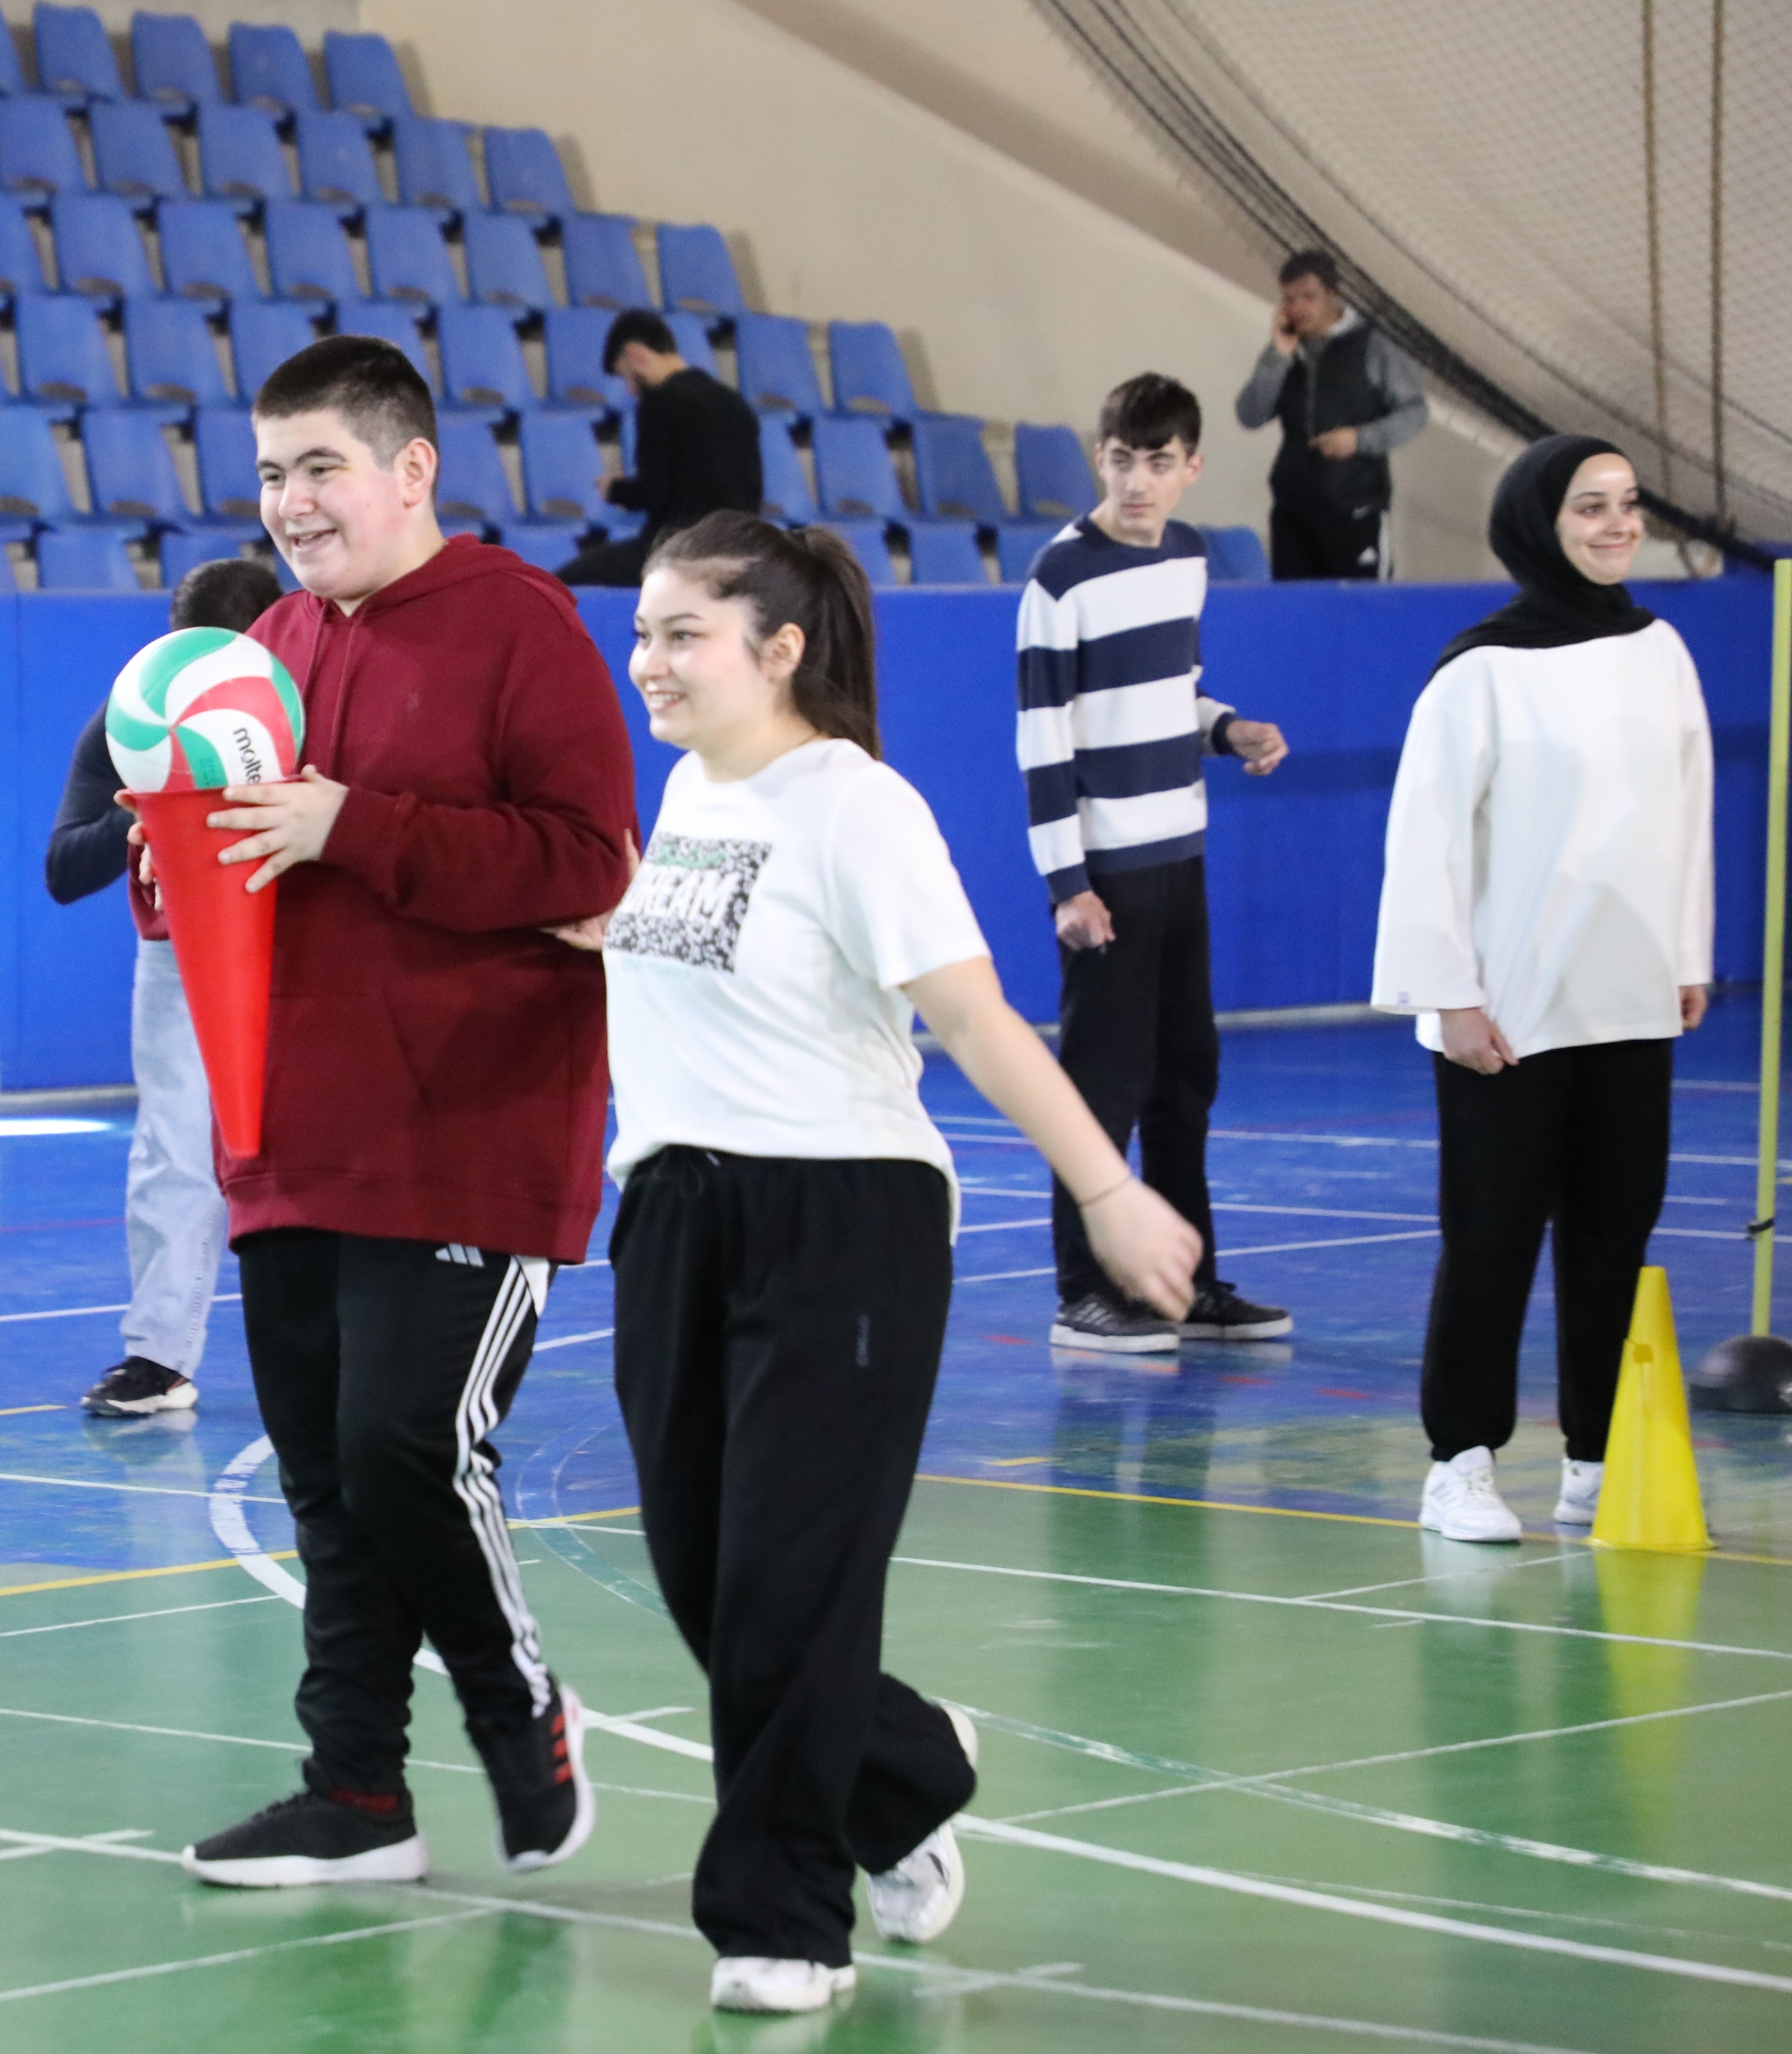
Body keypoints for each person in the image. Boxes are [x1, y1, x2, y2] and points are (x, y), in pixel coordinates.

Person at [570, 511, 1200, 2014]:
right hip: (672, 1212)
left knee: (787, 1586)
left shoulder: (859, 807)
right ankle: (904, 1765)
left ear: (780, 649)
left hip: (841, 1222)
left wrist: (1107, 1188)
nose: (648, 661)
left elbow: (974, 1016)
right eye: (643, 631)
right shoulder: (688, 791)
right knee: (705, 1577)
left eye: (682, 634)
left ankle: (782, 1920)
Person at [174, 337, 637, 1890]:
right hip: (290, 1133)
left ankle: (521, 1714)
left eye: (320, 466)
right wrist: (173, 863)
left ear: (411, 467)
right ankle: (357, 1794)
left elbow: (589, 861)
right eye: (270, 474)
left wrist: (352, 826)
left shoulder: (519, 623)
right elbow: (234, 871)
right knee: (323, 1478)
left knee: (407, 1448)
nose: (290, 502)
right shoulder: (265, 646)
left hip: (468, 1128)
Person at [1374, 436, 1711, 1542]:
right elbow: (1425, 842)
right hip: (1509, 1010)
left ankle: (1597, 1458)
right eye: (1589, 506)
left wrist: (1686, 954)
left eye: (1628, 504)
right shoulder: (1479, 669)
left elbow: (1688, 810)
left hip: (1630, 997)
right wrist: (1450, 995)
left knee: (1615, 1231)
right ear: (1538, 521)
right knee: (1493, 1233)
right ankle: (1460, 1462)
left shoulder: (1661, 651)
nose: (1619, 525)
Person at [1014, 373, 1292, 1353]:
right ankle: (1084, 1290)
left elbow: (1176, 690)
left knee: (1185, 1074)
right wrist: (1069, 884)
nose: (1138, 481)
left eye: (1159, 462)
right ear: (1100, 458)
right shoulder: (1058, 579)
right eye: (1123, 460)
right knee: (1102, 1084)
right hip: (1108, 873)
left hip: (1183, 855)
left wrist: (1227, 728)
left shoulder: (1187, 557)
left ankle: (1186, 1284)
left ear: (1192, 469)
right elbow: (1043, 738)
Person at [47, 554, 284, 1417]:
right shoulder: (135, 716)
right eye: (188, 655)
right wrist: (146, 811)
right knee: (173, 1146)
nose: (202, 679)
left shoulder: (308, 701)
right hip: (181, 950)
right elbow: (63, 869)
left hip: (307, 942)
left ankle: (346, 1339)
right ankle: (158, 1354)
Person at [1231, 249, 1427, 580]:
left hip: (1355, 510)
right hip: (1292, 515)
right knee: (1295, 610)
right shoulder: (1286, 349)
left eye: (1309, 297)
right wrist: (1278, 356)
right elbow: (1249, 415)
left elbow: (1415, 413)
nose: (1298, 308)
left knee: (1361, 608)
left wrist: (1360, 440)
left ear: (1334, 294)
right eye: (1289, 299)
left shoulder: (1374, 344)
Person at [555, 309, 761, 589]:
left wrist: (615, 489)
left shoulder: (660, 402)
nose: (630, 390)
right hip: (734, 554)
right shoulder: (735, 403)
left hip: (677, 552)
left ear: (636, 355)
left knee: (561, 584)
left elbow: (654, 492)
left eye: (626, 377)